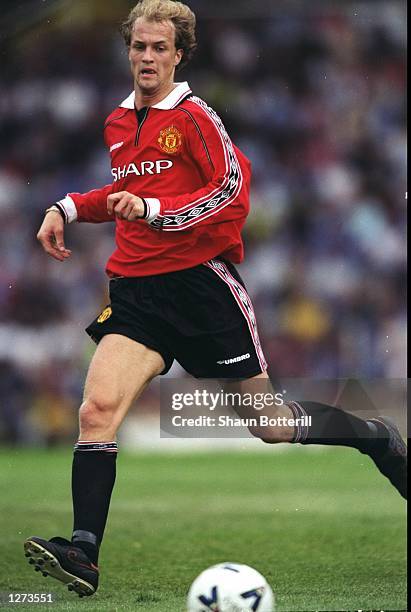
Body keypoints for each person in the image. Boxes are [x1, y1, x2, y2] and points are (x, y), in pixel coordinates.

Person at [24, 0, 407, 598]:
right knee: (96, 412)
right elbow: (126, 192)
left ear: (179, 54)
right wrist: (68, 206)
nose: (147, 57)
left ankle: (379, 437)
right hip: (136, 291)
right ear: (128, 50)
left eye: (159, 48)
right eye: (139, 47)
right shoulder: (118, 122)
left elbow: (232, 193)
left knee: (271, 425)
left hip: (202, 288)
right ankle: (84, 552)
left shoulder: (197, 117)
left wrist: (158, 212)